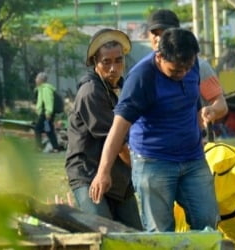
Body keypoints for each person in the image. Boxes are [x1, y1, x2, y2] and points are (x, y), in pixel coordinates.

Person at [89, 28, 219, 232]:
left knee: (207, 219)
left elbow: (196, 101)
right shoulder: (142, 78)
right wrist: (103, 172)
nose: (183, 74)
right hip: (153, 162)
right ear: (159, 56)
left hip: (192, 158)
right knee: (160, 230)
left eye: (187, 67)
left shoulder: (191, 65)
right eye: (175, 71)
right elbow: (118, 127)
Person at [64, 28, 142, 230]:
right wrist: (144, 171)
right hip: (89, 174)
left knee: (136, 236)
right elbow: (118, 142)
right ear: (94, 63)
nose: (113, 68)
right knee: (105, 235)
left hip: (119, 177)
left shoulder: (124, 88)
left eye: (119, 60)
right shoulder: (91, 91)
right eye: (106, 62)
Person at [147, 9, 228, 127]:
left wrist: (212, 111)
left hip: (195, 140)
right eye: (155, 34)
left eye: (164, 33)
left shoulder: (199, 66)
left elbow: (221, 104)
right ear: (148, 35)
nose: (159, 39)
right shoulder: (144, 71)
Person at [34, 72, 61, 153]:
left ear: (41, 80)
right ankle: (55, 147)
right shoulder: (41, 88)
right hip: (45, 113)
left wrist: (48, 112)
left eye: (37, 78)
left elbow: (48, 101)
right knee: (48, 130)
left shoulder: (45, 89)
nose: (36, 80)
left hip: (46, 114)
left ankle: (38, 147)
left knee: (37, 129)